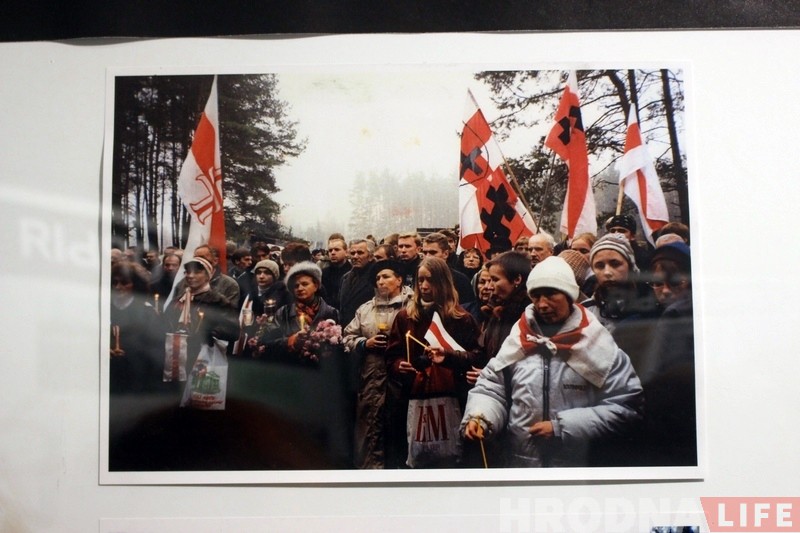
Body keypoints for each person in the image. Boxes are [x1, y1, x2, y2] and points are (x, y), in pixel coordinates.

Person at [461, 256, 644, 467]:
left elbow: (626, 405)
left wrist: (562, 427)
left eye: (550, 294)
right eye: (536, 296)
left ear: (569, 296)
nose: (542, 304)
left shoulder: (597, 342)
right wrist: (481, 416)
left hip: (577, 469)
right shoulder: (519, 338)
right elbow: (491, 388)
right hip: (520, 466)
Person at [385, 256, 482, 468]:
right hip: (411, 397)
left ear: (442, 282)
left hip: (452, 397)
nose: (424, 285)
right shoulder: (405, 317)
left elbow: (476, 356)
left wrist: (449, 357)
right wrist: (399, 365)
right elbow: (391, 356)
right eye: (420, 280)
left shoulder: (461, 318)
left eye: (430, 280)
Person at [343, 259, 413, 468]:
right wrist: (364, 343)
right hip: (371, 376)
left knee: (399, 425)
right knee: (371, 425)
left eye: (386, 276)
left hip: (402, 376)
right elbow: (347, 336)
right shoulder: (365, 309)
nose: (381, 281)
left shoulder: (412, 306)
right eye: (378, 278)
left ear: (399, 280)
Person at [421, 232, 476, 304]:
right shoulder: (419, 277)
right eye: (425, 253)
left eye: (433, 252)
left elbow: (468, 307)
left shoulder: (461, 280)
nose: (427, 257)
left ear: (445, 254)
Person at [338, 239, 376, 327]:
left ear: (370, 256)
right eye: (352, 253)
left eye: (360, 253)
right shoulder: (345, 278)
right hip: (346, 329)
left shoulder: (377, 278)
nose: (355, 256)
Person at [322, 236, 351, 310]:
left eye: (337, 249)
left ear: (346, 252)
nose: (333, 253)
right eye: (330, 250)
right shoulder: (323, 273)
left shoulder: (352, 273)